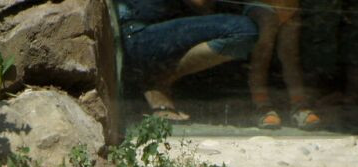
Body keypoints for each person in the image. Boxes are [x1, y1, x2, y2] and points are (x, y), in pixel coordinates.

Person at [116, 0, 320, 129]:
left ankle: (295, 103)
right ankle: (158, 79)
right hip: (139, 36)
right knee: (248, 33)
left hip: (141, 31)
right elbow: (201, 4)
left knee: (283, 51)